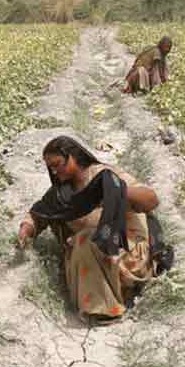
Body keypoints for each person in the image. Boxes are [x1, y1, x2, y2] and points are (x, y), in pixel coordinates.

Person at [16, 136, 161, 323]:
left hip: (127, 252)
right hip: (92, 259)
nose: (54, 171)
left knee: (86, 239)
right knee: (81, 242)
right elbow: (38, 214)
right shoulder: (62, 193)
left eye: (58, 164)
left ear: (73, 157)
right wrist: (26, 229)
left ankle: (103, 309)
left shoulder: (106, 176)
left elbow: (151, 200)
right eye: (50, 167)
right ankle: (98, 296)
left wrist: (114, 191)